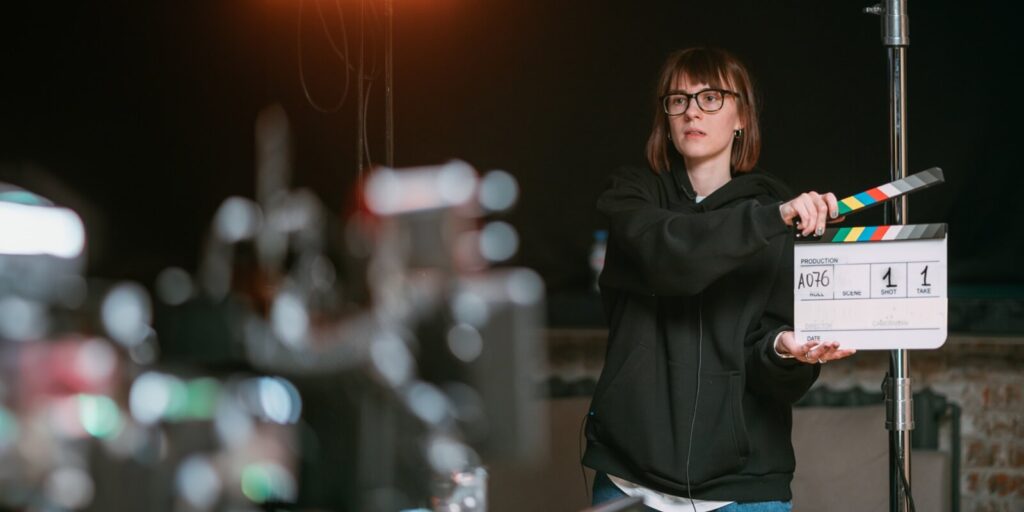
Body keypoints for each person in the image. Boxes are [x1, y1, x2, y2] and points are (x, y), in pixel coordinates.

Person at [583, 47, 856, 512]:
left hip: (743, 491)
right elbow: (672, 255)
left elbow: (774, 367)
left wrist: (785, 350)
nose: (692, 110)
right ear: (665, 120)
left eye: (711, 97)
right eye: (678, 100)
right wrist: (770, 219)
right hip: (629, 482)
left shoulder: (778, 218)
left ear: (741, 117)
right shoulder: (630, 197)